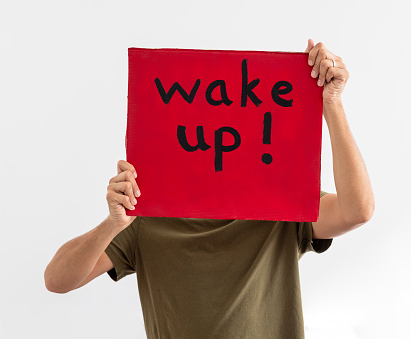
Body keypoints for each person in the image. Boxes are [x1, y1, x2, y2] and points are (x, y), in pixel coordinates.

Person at [44, 39, 375, 339]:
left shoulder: (278, 203)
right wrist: (113, 223)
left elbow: (357, 211)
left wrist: (331, 104)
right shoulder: (148, 216)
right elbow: (57, 279)